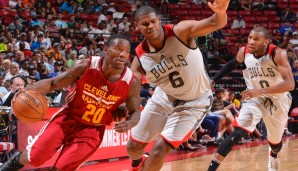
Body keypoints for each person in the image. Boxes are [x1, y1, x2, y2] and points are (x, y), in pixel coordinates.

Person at [0, 34, 141, 171]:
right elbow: (53, 83)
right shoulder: (85, 65)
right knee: (35, 157)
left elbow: (135, 112)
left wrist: (129, 123)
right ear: (106, 49)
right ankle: (13, 163)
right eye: (118, 49)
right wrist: (27, 90)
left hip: (92, 131)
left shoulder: (131, 81)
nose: (123, 54)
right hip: (68, 118)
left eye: (127, 51)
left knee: (62, 168)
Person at [126, 2, 229, 170]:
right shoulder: (140, 58)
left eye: (152, 21)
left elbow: (216, 23)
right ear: (137, 26)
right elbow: (132, 86)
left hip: (194, 103)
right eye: (144, 24)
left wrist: (220, 11)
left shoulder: (180, 32)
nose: (150, 26)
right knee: (133, 148)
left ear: (159, 20)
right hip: (163, 98)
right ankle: (137, 166)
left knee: (159, 150)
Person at [207, 26, 294, 171]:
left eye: (256, 39)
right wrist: (214, 80)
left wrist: (260, 91)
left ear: (267, 41)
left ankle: (273, 155)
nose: (251, 42)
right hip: (254, 99)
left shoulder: (278, 54)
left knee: (275, 143)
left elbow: (290, 84)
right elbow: (231, 64)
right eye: (250, 38)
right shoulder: (244, 51)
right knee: (238, 131)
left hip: (277, 100)